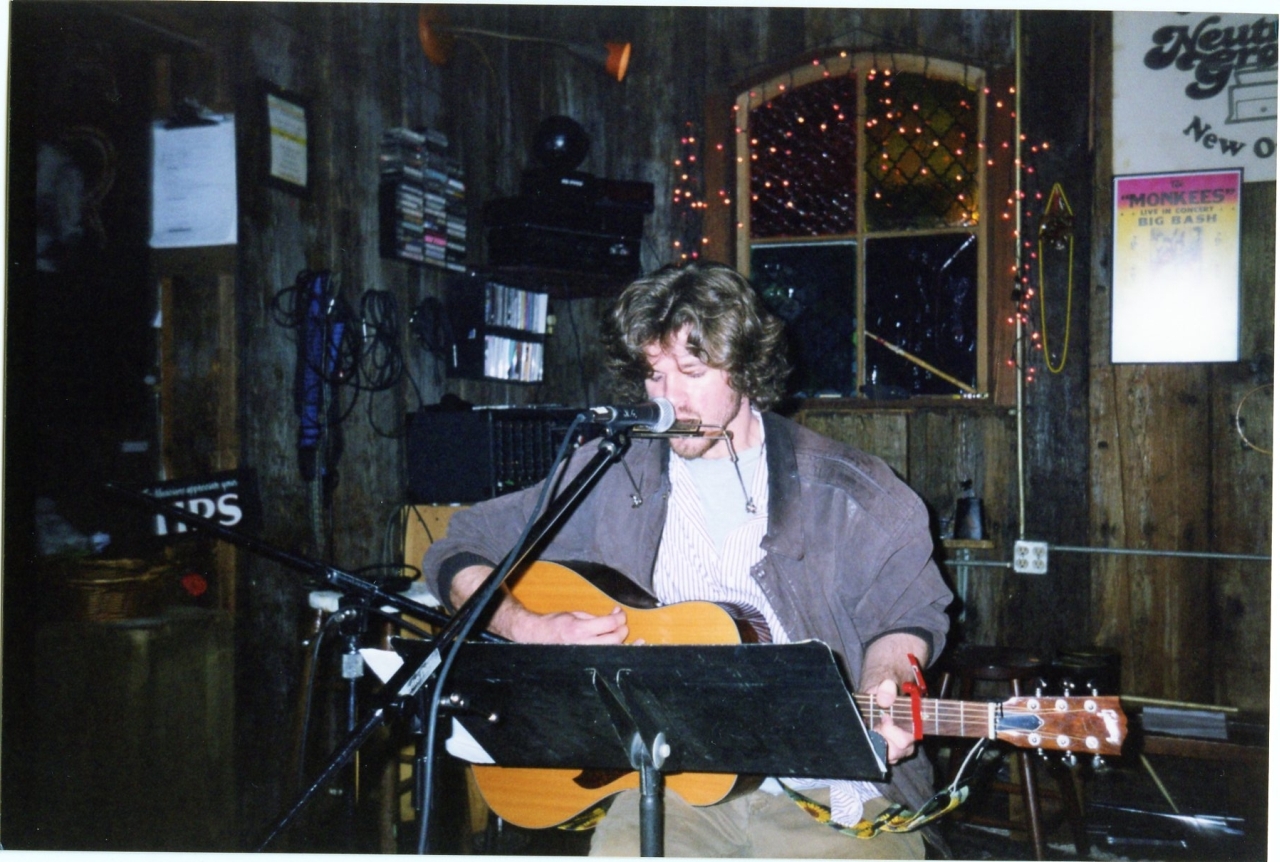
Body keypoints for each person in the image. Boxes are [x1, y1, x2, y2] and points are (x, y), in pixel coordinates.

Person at [421, 261, 953, 858]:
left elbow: (908, 614)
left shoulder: (850, 490)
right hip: (670, 788)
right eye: (654, 374)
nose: (667, 399)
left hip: (837, 792)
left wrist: (886, 681)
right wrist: (528, 627)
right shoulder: (613, 474)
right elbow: (461, 545)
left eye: (692, 373)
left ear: (745, 368)